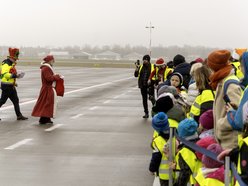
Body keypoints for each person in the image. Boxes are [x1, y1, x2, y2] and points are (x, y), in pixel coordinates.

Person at [207, 49, 242, 149]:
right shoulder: (221, 81)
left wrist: (221, 124)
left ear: (214, 67)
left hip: (231, 141)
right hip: (225, 140)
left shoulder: (230, 84)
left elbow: (238, 114)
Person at [32, 55, 62, 124]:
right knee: (47, 103)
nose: (53, 62)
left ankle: (46, 118)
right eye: (52, 60)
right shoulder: (46, 68)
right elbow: (49, 78)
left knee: (47, 103)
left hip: (47, 88)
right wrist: (57, 76)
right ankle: (44, 119)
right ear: (49, 61)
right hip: (47, 88)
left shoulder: (46, 68)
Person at [0, 48, 28, 121]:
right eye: (15, 59)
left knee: (16, 100)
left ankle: (19, 115)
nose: (16, 60)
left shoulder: (11, 64)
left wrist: (14, 83)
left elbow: (10, 75)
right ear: (11, 58)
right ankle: (19, 115)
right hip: (6, 86)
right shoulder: (6, 64)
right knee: (2, 101)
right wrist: (15, 76)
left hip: (10, 85)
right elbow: (5, 74)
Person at [149, 112, 171, 186]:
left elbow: (156, 157)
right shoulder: (175, 134)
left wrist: (152, 169)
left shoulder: (157, 141)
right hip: (176, 171)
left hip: (165, 174)